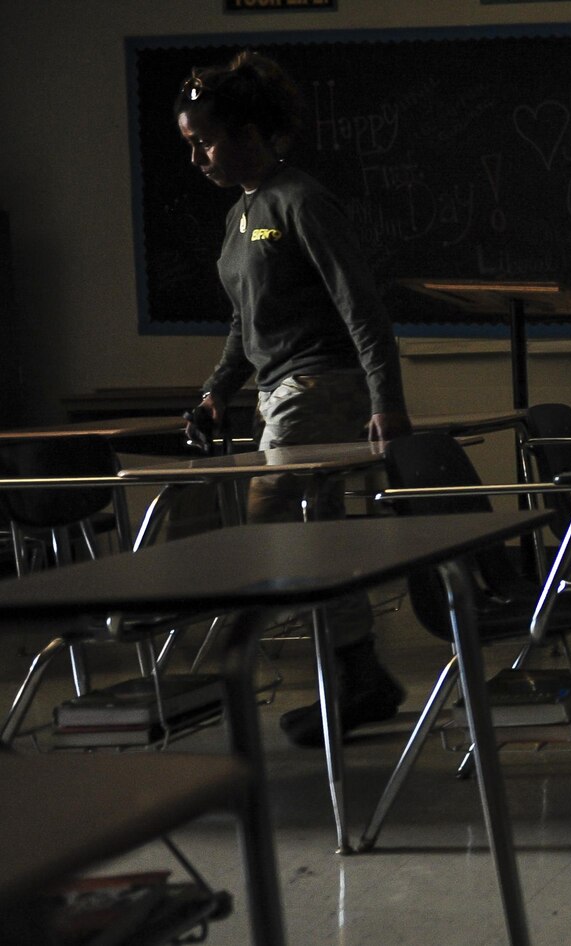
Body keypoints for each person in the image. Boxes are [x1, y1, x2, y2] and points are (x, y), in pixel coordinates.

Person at [176, 51, 412, 747]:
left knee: (275, 512)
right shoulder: (239, 216)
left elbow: (361, 306)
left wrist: (388, 402)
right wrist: (218, 391)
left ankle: (336, 671)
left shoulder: (302, 201)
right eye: (188, 145)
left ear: (250, 129)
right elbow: (241, 320)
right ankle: (356, 675)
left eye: (204, 141)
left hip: (322, 384)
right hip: (279, 389)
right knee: (313, 537)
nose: (197, 159)